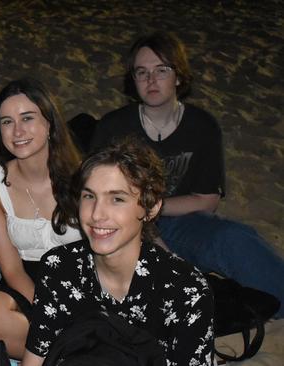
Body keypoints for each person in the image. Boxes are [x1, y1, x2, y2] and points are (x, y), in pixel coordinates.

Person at [91, 31, 284, 317]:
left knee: (234, 238)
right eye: (142, 72)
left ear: (179, 77)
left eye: (162, 70)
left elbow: (207, 200)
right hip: (124, 227)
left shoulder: (202, 126)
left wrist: (152, 206)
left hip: (183, 221)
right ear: (133, 80)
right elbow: (96, 201)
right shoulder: (113, 128)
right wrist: (150, 236)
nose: (151, 80)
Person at [21, 138, 215, 366]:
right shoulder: (60, 267)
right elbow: (36, 357)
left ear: (151, 208)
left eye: (117, 199)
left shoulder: (185, 291)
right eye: (89, 196)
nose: (96, 214)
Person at [0, 78, 82, 359]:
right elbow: (13, 270)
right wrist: (51, 311)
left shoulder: (83, 177)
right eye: (6, 122)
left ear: (49, 122)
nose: (17, 131)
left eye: (27, 118)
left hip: (82, 280)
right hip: (29, 285)